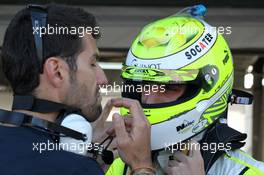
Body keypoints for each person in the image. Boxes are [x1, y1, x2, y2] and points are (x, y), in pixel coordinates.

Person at [107, 4, 264, 175]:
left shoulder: (247, 172)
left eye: (167, 87)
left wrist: (141, 167)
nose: (149, 99)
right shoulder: (120, 166)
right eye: (144, 85)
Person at [0, 4, 154, 175]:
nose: (103, 80)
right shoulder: (74, 168)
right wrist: (142, 165)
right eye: (92, 63)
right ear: (57, 71)